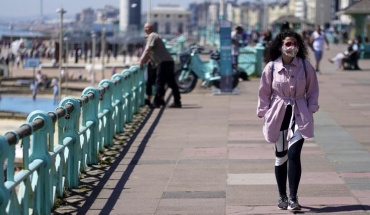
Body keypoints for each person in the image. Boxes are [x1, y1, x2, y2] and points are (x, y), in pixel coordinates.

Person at [257, 30, 319, 211]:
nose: (292, 47)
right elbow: (264, 92)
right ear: (280, 46)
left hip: (299, 114)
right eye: (288, 44)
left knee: (294, 155)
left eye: (295, 44)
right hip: (278, 114)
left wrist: (312, 107)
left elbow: (313, 90)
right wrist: (263, 111)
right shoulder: (271, 68)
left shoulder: (306, 67)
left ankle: (293, 198)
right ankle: (282, 196)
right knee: (281, 157)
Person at [139, 23, 182, 108]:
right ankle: (177, 102)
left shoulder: (152, 36)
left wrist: (141, 60)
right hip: (168, 61)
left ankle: (157, 102)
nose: (145, 29)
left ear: (151, 28)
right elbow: (153, 51)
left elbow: (148, 49)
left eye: (147, 28)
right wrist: (149, 59)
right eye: (145, 28)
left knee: (159, 82)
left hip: (163, 63)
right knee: (172, 83)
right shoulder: (153, 37)